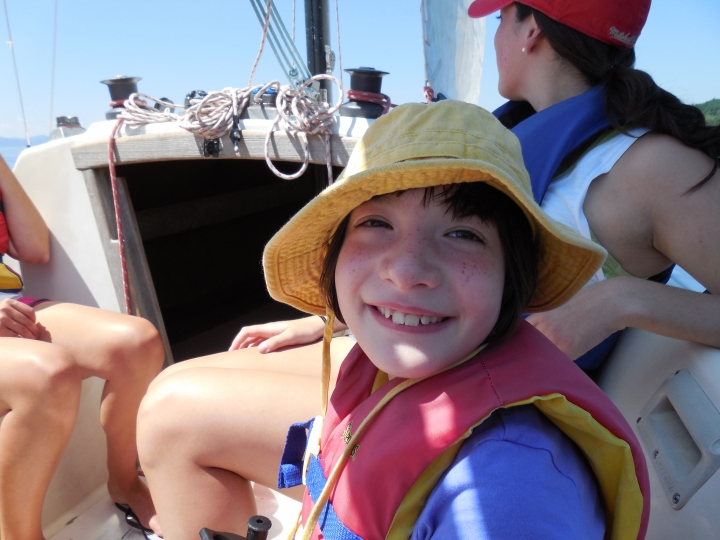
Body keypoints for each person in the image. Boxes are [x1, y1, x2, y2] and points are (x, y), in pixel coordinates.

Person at [139, 101, 651, 539]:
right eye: (376, 222)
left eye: (464, 234)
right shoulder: (406, 362)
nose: (406, 272)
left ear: (510, 278)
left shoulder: (509, 490)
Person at [230, 0, 720, 371]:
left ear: (530, 30)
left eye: (500, 18)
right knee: (226, 369)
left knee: (189, 404)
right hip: (432, 361)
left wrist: (623, 301)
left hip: (494, 407)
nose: (496, 35)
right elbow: (449, 272)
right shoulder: (503, 140)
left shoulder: (654, 167)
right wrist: (327, 320)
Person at [0, 154, 164, 539]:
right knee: (48, 374)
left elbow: (35, 249)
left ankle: (125, 483)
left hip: (10, 308)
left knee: (136, 343)